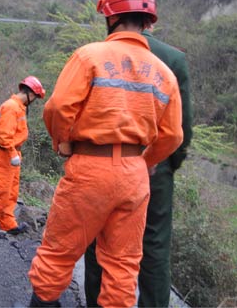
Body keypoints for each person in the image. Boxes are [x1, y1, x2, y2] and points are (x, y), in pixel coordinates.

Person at [27, 0, 183, 307]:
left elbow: (57, 108)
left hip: (90, 169)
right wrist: (145, 160)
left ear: (111, 18)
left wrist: (62, 142)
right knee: (123, 265)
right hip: (134, 177)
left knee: (61, 248)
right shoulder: (165, 74)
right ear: (147, 23)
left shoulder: (90, 56)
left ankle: (43, 303)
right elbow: (173, 136)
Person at [84, 25, 194, 307]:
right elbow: (182, 129)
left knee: (100, 237)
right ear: (151, 21)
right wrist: (164, 164)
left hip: (107, 159)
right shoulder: (173, 59)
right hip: (156, 167)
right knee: (154, 245)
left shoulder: (103, 52)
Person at [0, 76, 46, 235]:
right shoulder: (12, 107)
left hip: (12, 154)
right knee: (2, 192)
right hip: (5, 154)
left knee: (11, 193)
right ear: (30, 94)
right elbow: (4, 135)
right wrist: (12, 153)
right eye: (35, 97)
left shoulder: (18, 107)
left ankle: (7, 223)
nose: (34, 101)